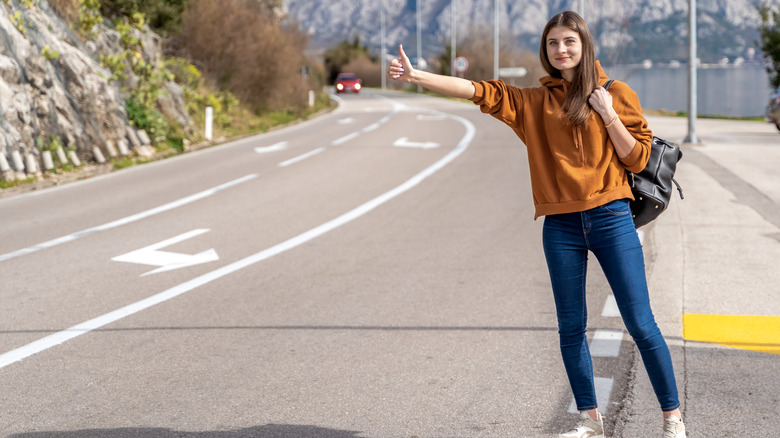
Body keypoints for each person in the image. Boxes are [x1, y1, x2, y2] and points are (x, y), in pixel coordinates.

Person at [388, 10, 687, 438]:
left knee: (641, 323)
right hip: (561, 227)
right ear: (545, 51)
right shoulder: (534, 102)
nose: (560, 49)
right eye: (552, 43)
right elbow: (477, 89)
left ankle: (672, 419)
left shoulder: (616, 92)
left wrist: (608, 114)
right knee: (571, 327)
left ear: (584, 46)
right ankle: (589, 421)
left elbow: (638, 158)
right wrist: (418, 76)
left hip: (610, 217)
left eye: (569, 41)